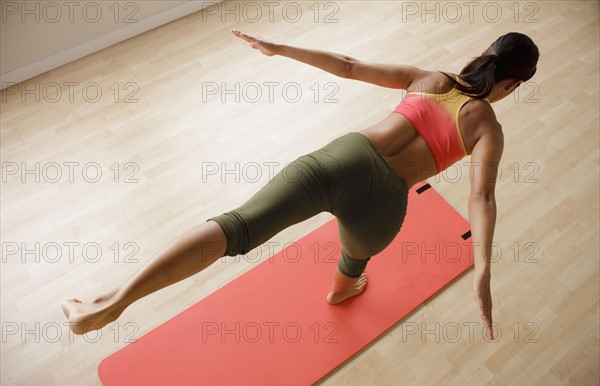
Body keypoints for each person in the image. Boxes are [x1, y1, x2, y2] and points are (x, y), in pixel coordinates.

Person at [62, 30, 539, 340]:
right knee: (356, 257)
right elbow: (483, 196)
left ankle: (110, 302)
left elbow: (349, 64)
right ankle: (341, 291)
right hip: (385, 205)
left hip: (342, 160)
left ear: (485, 55)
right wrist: (481, 269)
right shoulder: (488, 129)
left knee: (237, 225)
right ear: (514, 85)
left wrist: (282, 49)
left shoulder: (430, 77)